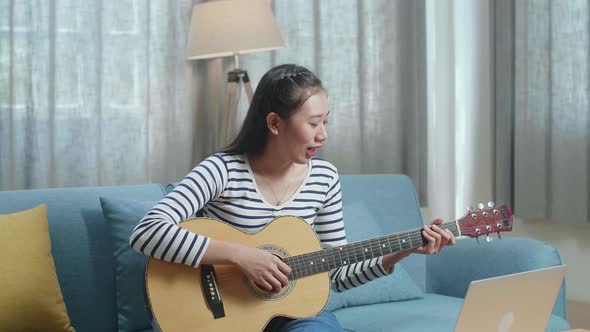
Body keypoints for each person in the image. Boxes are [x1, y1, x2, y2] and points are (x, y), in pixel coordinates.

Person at [130, 64, 456, 331]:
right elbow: (147, 232)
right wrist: (241, 256)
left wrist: (404, 250)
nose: (323, 134)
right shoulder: (222, 170)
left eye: (326, 122)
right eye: (314, 123)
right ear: (274, 123)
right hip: (222, 318)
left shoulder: (324, 178)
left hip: (297, 317)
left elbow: (337, 275)